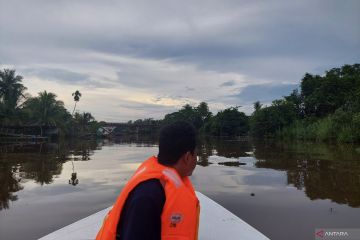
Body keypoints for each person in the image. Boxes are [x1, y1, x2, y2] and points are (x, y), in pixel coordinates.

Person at [96, 121, 200, 240]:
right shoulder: (148, 197)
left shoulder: (165, 184)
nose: (196, 159)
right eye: (196, 154)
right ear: (187, 157)